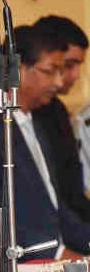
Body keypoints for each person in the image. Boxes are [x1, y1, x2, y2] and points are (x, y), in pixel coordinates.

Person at [0, 25, 90, 272]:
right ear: (18, 70)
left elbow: (56, 210)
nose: (58, 82)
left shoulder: (33, 122)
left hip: (43, 259)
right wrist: (58, 256)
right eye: (50, 72)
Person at [32, 16, 90, 222]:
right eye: (69, 65)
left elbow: (73, 194)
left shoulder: (57, 109)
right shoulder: (18, 116)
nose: (75, 76)